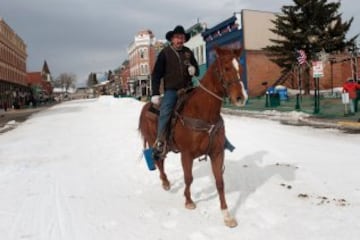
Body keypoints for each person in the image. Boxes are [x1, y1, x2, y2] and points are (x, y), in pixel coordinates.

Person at [150, 25, 235, 159]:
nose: (180, 40)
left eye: (182, 38)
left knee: (210, 107)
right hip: (172, 91)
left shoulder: (188, 52)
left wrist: (194, 69)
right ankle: (160, 141)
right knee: (165, 111)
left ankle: (222, 139)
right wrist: (155, 93)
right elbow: (156, 75)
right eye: (177, 38)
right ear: (172, 39)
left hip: (189, 88)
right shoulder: (165, 53)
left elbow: (197, 69)